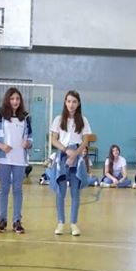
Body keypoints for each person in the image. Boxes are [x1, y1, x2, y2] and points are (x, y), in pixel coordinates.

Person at [0, 86, 33, 234]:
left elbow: (30, 137)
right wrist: (0, 145)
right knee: (4, 189)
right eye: (12, 98)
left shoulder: (26, 116)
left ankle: (17, 221)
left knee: (17, 189)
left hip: (20, 159)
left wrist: (28, 143)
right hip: (4, 158)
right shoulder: (0, 114)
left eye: (17, 99)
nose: (15, 101)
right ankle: (2, 220)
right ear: (8, 100)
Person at [50, 90, 92, 236]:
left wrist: (75, 153)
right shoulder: (58, 119)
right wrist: (66, 150)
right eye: (68, 101)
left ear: (78, 103)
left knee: (75, 192)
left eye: (74, 101)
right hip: (62, 155)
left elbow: (86, 140)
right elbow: (54, 139)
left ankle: (74, 223)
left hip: (77, 156)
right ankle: (61, 222)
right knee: (61, 192)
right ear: (65, 102)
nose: (71, 104)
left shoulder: (83, 120)